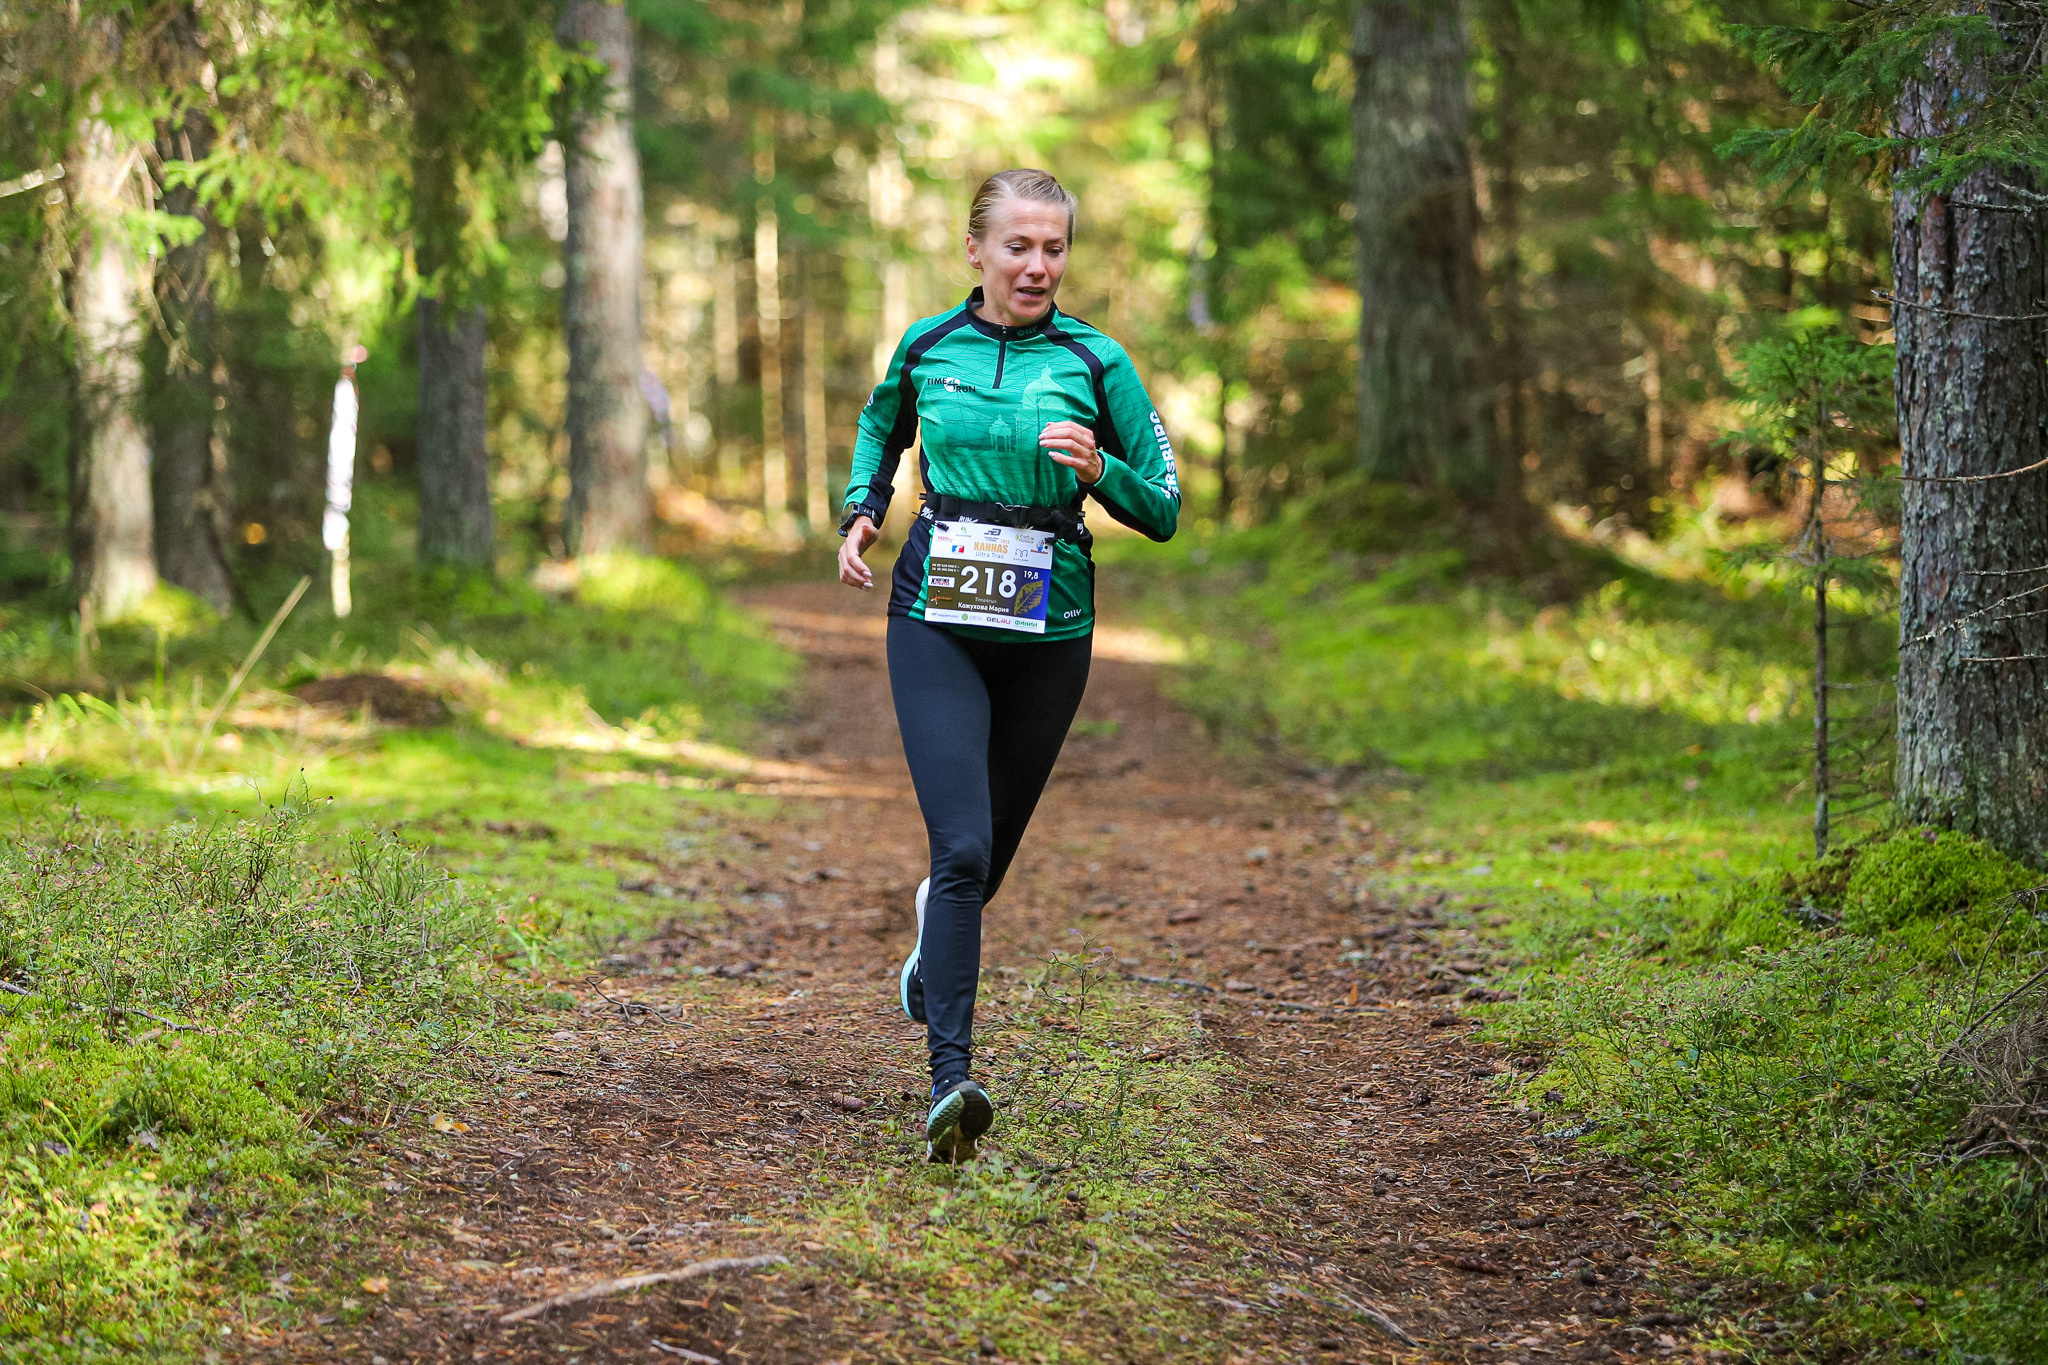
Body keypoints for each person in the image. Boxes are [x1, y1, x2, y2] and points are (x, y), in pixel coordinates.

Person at [835, 168, 1180, 1162]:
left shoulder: (1096, 360)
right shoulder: (926, 345)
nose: (1037, 266)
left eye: (1054, 249)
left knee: (986, 858)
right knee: (963, 852)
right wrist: (861, 509)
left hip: (1049, 635)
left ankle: (928, 957)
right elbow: (881, 426)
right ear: (976, 251)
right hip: (933, 615)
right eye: (1019, 247)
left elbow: (1161, 506)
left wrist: (1099, 471)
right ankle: (950, 1081)